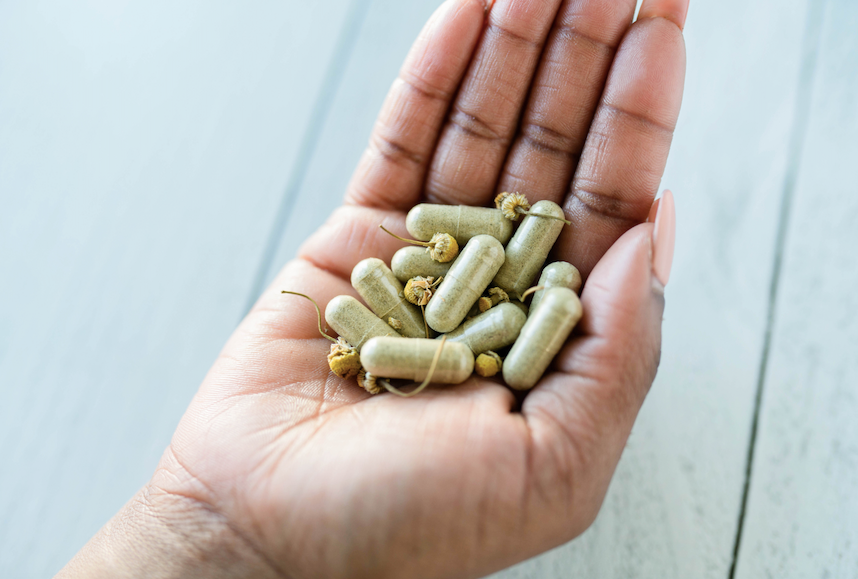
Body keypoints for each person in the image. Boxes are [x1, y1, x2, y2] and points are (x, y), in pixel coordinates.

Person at [59, 0, 686, 576]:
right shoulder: (454, 288)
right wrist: (221, 527)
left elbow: (456, 312)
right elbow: (458, 313)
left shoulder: (456, 286)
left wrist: (218, 532)